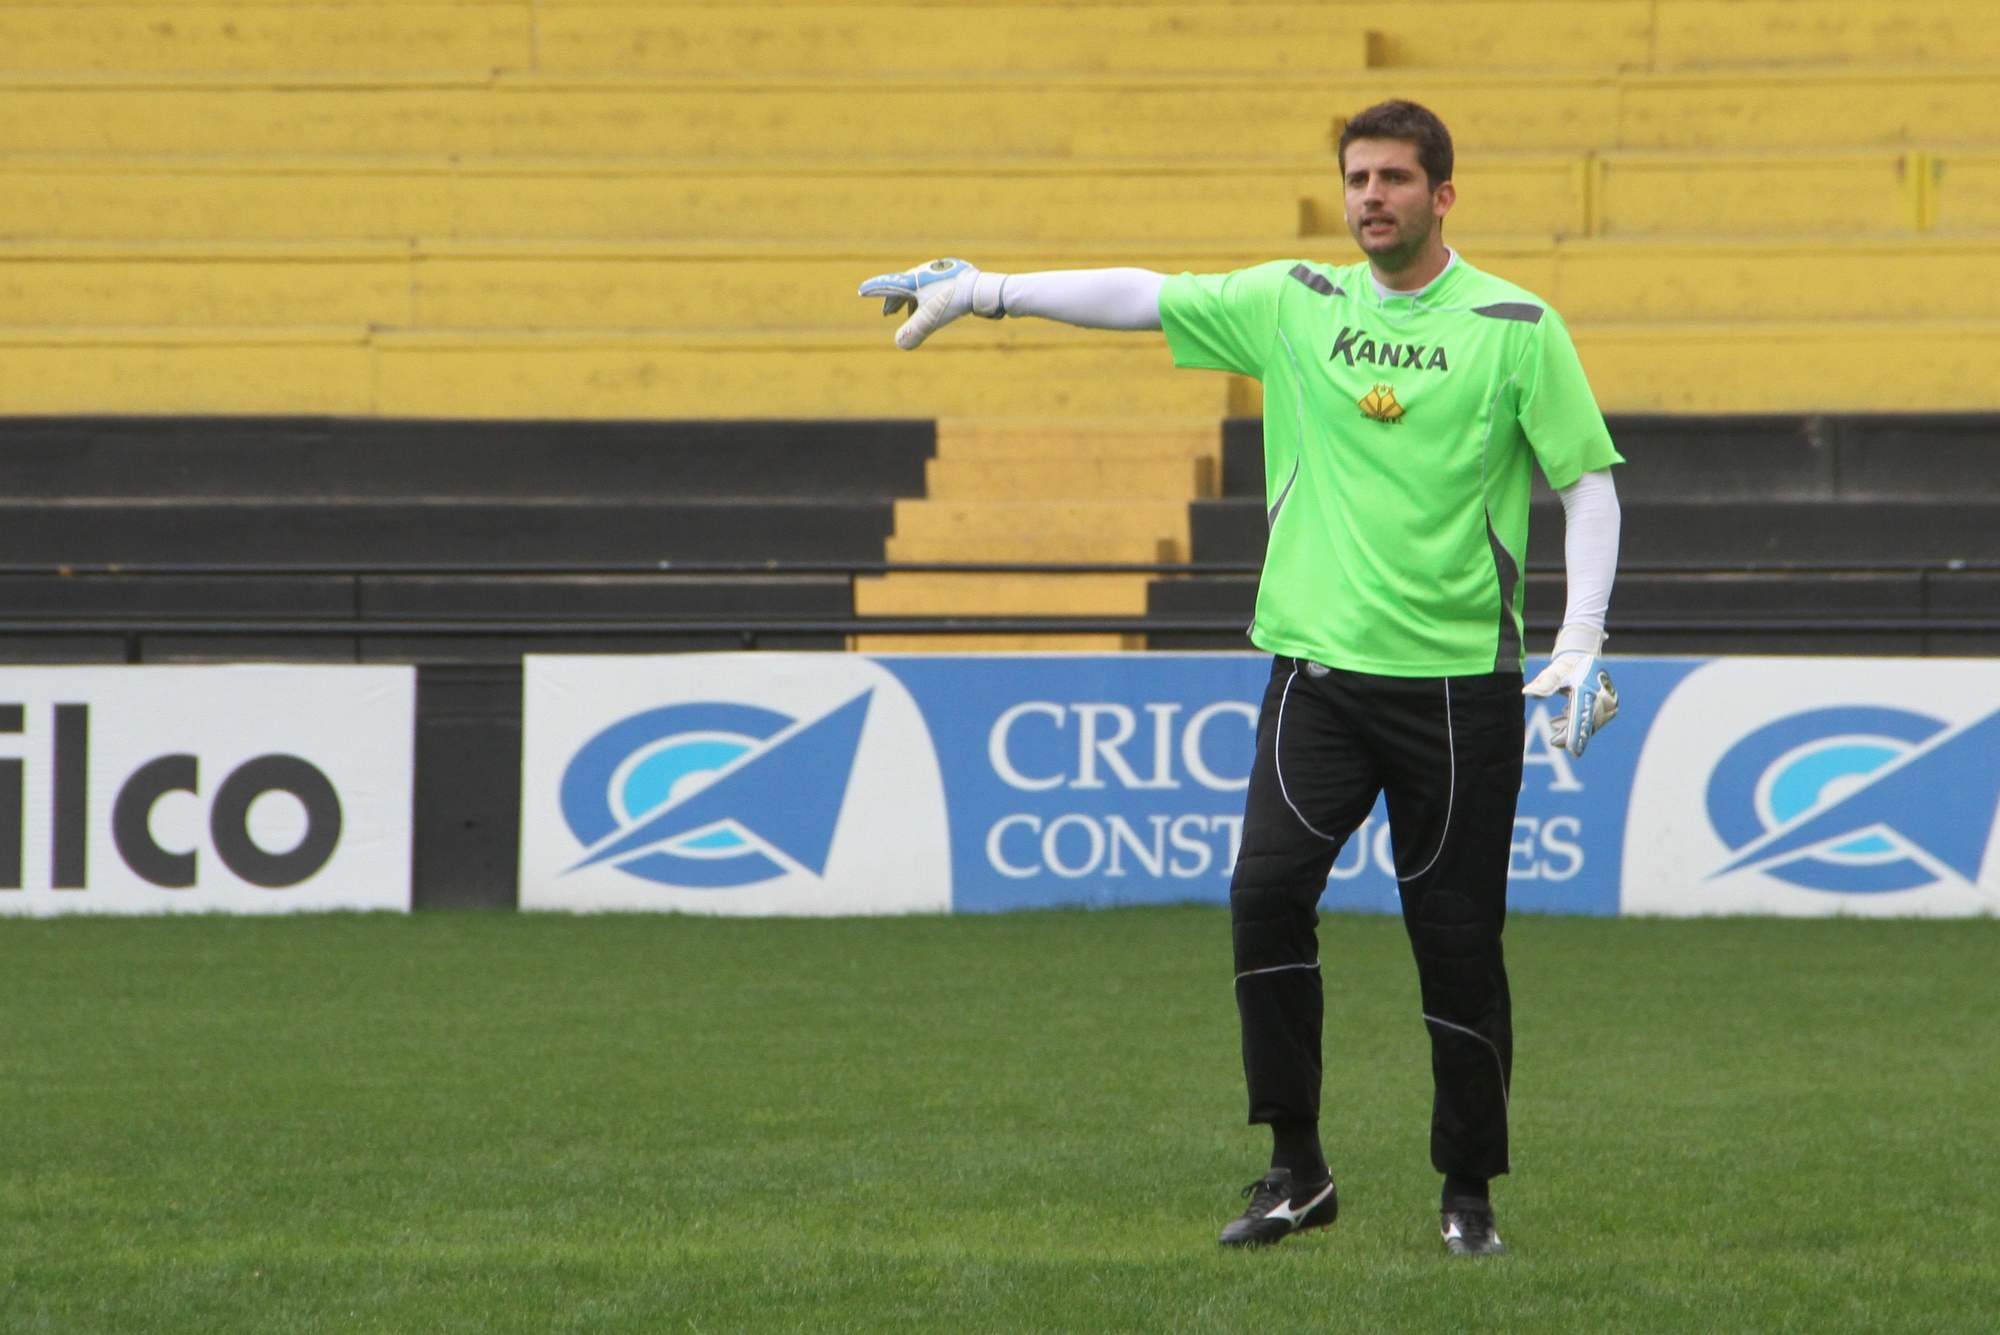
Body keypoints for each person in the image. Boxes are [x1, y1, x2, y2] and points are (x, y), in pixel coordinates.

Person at [858, 99, 1623, 1258]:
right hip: (1314, 678)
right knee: (1263, 899)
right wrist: (988, 287)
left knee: (1456, 947)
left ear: (1441, 196)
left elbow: (1589, 486)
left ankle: (1466, 1191)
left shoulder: (1515, 325)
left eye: (1394, 179)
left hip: (1460, 691)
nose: (1370, 195)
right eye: (1356, 177)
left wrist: (1577, 646)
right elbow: (1143, 294)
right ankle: (1294, 1169)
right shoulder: (1292, 303)